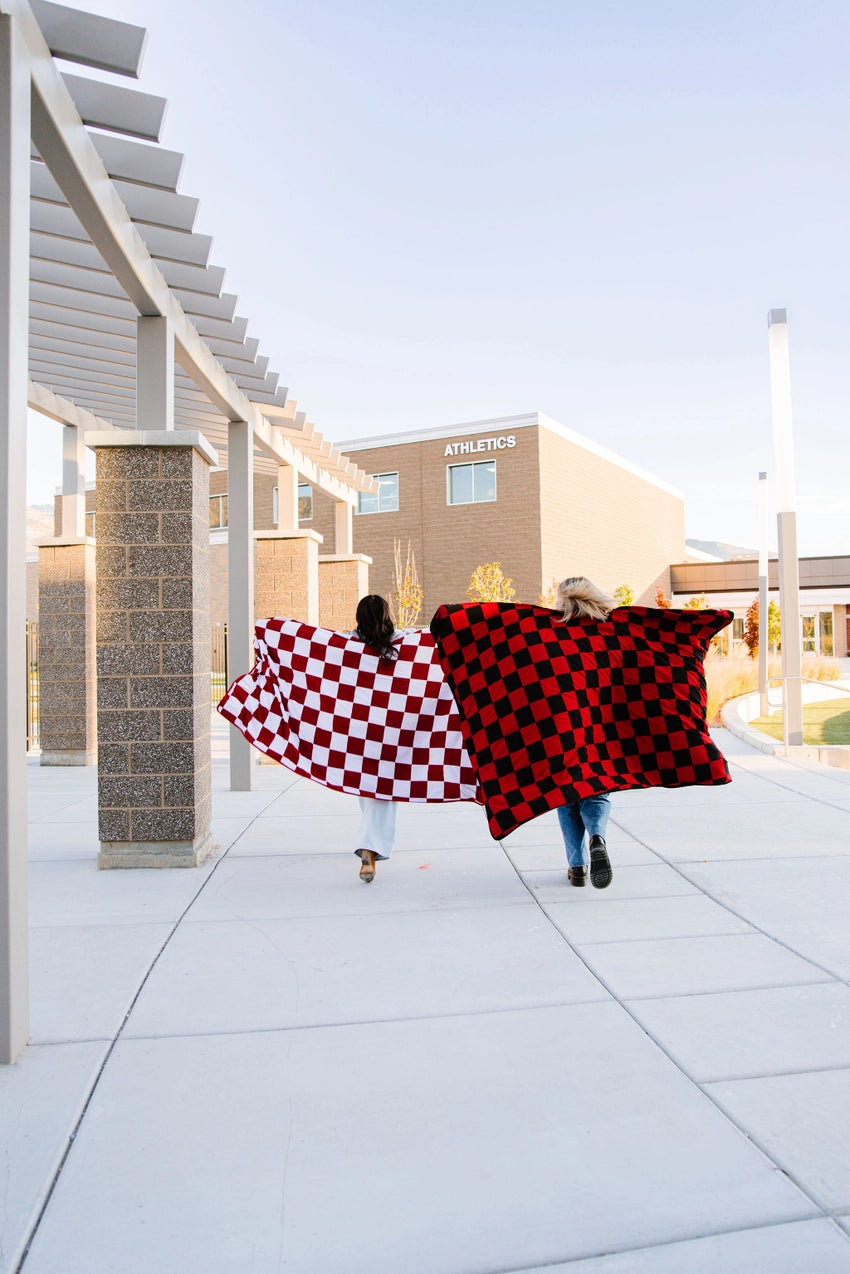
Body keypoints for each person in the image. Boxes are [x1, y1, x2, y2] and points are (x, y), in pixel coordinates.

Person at [553, 577, 614, 890]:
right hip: (600, 726)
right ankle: (598, 837)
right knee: (597, 788)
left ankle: (577, 866)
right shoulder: (610, 631)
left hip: (563, 727)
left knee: (567, 796)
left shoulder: (550, 634)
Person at [350, 594, 400, 883]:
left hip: (357, 727)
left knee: (368, 789)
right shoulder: (402, 643)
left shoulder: (345, 644)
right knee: (384, 791)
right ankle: (369, 850)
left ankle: (369, 846)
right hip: (390, 729)